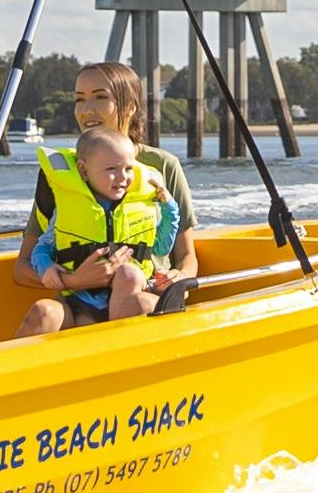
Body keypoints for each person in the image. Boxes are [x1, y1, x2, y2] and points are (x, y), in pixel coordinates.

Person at [22, 58, 197, 337]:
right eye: (79, 100)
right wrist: (74, 280)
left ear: (129, 106)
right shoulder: (60, 175)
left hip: (143, 293)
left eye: (100, 97)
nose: (87, 110)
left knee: (139, 304)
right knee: (44, 313)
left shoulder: (163, 167)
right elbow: (22, 268)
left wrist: (180, 277)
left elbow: (187, 257)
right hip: (78, 304)